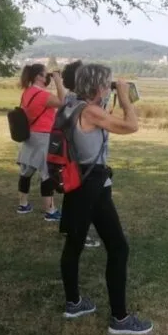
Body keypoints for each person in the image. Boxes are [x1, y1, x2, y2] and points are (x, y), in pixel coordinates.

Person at [60, 64, 153, 335]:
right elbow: (132, 126)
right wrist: (124, 97)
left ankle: (73, 302)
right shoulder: (91, 111)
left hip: (75, 181)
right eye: (107, 84)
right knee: (118, 248)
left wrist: (107, 99)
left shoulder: (70, 103)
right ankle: (120, 319)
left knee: (74, 243)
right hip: (94, 185)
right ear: (99, 86)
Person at [57, 60, 100, 248]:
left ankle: (67, 226)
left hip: (68, 152)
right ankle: (81, 233)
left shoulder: (69, 98)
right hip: (83, 157)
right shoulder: (83, 104)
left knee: (72, 191)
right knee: (85, 199)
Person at [16, 63, 65, 220]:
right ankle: (50, 211)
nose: (48, 77)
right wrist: (58, 81)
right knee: (47, 173)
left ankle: (23, 204)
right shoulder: (43, 96)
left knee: (26, 171)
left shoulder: (26, 93)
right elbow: (62, 102)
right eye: (46, 74)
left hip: (29, 135)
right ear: (38, 76)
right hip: (43, 136)